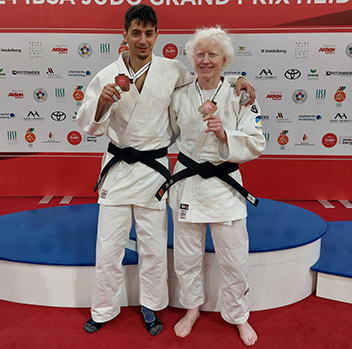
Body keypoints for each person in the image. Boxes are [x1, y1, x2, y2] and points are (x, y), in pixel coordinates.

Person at [77, 5, 256, 336]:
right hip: (117, 170)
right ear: (125, 35)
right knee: (108, 245)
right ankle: (102, 308)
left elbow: (208, 80)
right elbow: (88, 124)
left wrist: (238, 78)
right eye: (136, 33)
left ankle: (151, 305)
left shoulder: (173, 70)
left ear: (157, 36)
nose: (142, 40)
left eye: (148, 33)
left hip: (154, 170)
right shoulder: (105, 76)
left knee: (154, 246)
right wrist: (101, 101)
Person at [161, 26, 266, 345]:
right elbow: (165, 133)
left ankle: (238, 315)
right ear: (192, 58)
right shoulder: (179, 96)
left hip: (225, 187)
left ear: (225, 59)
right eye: (200, 54)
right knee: (186, 257)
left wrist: (226, 136)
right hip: (188, 185)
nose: (206, 60)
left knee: (234, 259)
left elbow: (257, 140)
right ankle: (192, 308)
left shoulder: (240, 94)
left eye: (213, 55)